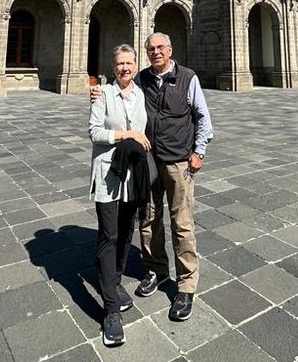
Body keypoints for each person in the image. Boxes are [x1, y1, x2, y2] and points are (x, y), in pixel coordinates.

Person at [91, 32, 213, 322]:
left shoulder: (188, 77)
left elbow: (203, 117)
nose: (156, 52)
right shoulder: (142, 79)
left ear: (170, 50)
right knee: (148, 219)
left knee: (182, 223)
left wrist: (200, 151)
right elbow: (119, 89)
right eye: (151, 49)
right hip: (148, 163)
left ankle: (186, 286)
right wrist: (98, 91)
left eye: (161, 48)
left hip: (180, 161)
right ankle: (156, 269)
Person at [88, 44, 151, 347]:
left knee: (127, 232)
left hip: (132, 177)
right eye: (119, 64)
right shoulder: (102, 94)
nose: (125, 68)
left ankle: (113, 282)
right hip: (108, 176)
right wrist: (126, 135)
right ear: (113, 67)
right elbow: (94, 132)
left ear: (135, 65)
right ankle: (111, 310)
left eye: (129, 63)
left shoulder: (140, 94)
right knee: (108, 236)